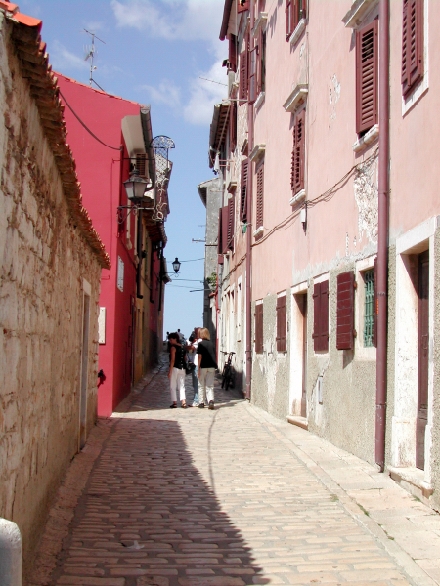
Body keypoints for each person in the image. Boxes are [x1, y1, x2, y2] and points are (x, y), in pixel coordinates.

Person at [197, 328, 218, 410]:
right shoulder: (211, 344)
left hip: (203, 366)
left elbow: (199, 356)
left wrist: (198, 368)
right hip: (211, 366)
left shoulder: (201, 344)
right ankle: (211, 400)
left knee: (201, 384)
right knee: (210, 384)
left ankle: (201, 402)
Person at [168, 332, 187, 408]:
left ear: (175, 339)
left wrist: (170, 371)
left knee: (173, 385)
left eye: (171, 339)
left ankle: (174, 402)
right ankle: (183, 402)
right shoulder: (183, 347)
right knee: (182, 385)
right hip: (182, 368)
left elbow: (172, 360)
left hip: (175, 367)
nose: (170, 341)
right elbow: (185, 358)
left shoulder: (173, 348)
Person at [187, 332, 199, 407]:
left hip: (197, 365)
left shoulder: (198, 343)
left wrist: (186, 346)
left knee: (196, 384)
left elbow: (191, 349)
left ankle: (196, 400)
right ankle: (199, 400)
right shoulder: (200, 342)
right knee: (197, 384)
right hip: (197, 365)